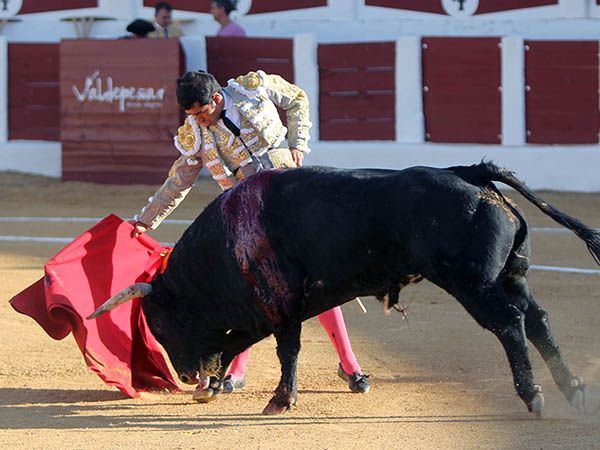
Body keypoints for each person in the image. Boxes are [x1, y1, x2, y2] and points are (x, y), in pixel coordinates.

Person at [132, 69, 370, 395]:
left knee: (316, 280)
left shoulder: (252, 89)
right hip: (249, 215)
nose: (199, 121)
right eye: (192, 115)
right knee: (250, 286)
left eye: (202, 113)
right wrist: (146, 219)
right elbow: (178, 182)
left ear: (216, 98)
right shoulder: (196, 133)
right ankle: (238, 371)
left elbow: (298, 99)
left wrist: (298, 142)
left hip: (293, 198)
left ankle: (349, 363)